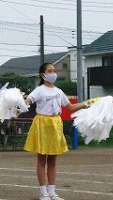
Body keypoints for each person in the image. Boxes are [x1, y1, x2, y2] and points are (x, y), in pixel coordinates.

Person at [24, 63, 90, 200]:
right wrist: (18, 101)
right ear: (42, 74)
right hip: (43, 122)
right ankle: (43, 192)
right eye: (50, 71)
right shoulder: (39, 90)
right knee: (42, 159)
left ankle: (52, 192)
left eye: (54, 71)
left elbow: (70, 107)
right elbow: (27, 101)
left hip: (55, 123)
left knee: (53, 160)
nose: (53, 73)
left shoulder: (59, 91)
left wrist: (87, 103)